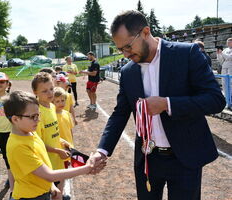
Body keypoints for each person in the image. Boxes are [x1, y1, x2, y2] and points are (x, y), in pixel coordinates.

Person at [92, 10, 226, 200]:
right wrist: (102, 150)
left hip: (185, 159)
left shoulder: (186, 54)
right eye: (121, 49)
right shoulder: (128, 72)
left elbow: (215, 100)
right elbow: (120, 113)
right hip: (147, 159)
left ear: (146, 32)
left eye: (128, 47)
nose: (125, 54)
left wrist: (167, 104)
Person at [4, 91, 96, 200]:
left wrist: (51, 186)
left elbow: (41, 162)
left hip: (43, 192)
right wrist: (87, 168)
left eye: (38, 115)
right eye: (33, 116)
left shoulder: (30, 132)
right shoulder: (18, 146)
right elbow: (49, 175)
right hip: (30, 197)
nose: (38, 120)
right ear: (15, 119)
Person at [32, 72, 71, 200]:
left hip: (57, 157)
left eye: (51, 89)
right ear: (35, 92)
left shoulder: (52, 106)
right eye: (44, 91)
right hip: (47, 161)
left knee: (59, 185)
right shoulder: (37, 113)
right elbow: (38, 142)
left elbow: (53, 132)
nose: (50, 93)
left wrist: (62, 141)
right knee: (50, 192)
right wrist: (57, 150)